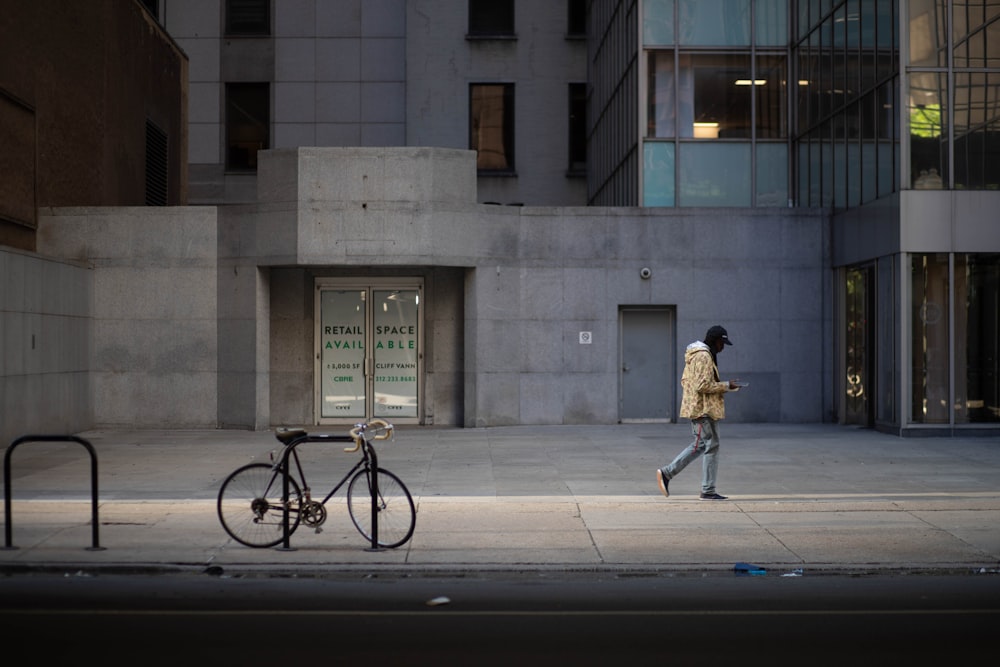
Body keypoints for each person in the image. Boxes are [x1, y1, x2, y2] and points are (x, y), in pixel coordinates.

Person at [657, 325, 741, 501]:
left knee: (703, 445)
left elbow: (689, 382)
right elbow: (701, 385)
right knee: (709, 445)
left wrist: (726, 387)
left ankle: (673, 475)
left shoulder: (698, 354)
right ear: (715, 341)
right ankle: (701, 487)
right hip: (702, 409)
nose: (723, 347)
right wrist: (727, 385)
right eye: (722, 343)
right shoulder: (703, 356)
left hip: (701, 407)